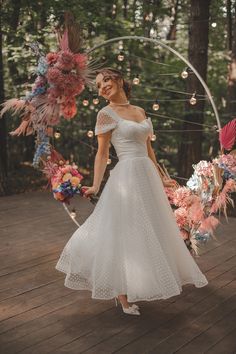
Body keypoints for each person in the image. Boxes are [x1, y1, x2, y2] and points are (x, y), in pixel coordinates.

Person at [56, 68, 208, 316]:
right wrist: (95, 185)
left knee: (149, 229)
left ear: (119, 80)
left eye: (106, 80)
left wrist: (161, 177)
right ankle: (122, 296)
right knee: (123, 230)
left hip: (146, 175)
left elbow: (148, 150)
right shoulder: (105, 114)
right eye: (98, 85)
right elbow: (102, 153)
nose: (102, 86)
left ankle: (140, 281)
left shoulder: (140, 112)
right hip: (126, 176)